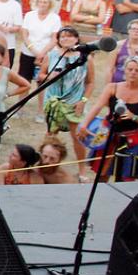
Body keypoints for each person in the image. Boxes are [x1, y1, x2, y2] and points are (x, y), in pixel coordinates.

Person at [76, 56, 138, 182]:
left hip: (131, 139)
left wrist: (133, 117)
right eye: (130, 69)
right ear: (125, 70)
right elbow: (97, 107)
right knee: (101, 175)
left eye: (137, 70)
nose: (133, 73)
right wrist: (84, 124)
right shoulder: (112, 87)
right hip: (108, 134)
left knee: (125, 179)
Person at [41, 27, 95, 181]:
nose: (65, 39)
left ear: (77, 39)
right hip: (53, 101)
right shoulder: (51, 56)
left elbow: (90, 83)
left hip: (74, 102)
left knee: (77, 136)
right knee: (51, 135)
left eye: (69, 36)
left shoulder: (86, 59)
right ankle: (46, 166)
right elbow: (41, 76)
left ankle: (82, 170)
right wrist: (50, 75)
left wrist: (83, 101)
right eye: (62, 37)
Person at [19, 0, 62, 81]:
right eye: (40, 1)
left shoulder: (55, 18)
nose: (42, 4)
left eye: (45, 2)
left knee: (42, 81)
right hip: (28, 52)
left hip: (46, 55)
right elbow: (24, 35)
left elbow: (54, 39)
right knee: (24, 81)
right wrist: (34, 51)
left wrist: (42, 54)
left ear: (50, 4)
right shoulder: (29, 15)